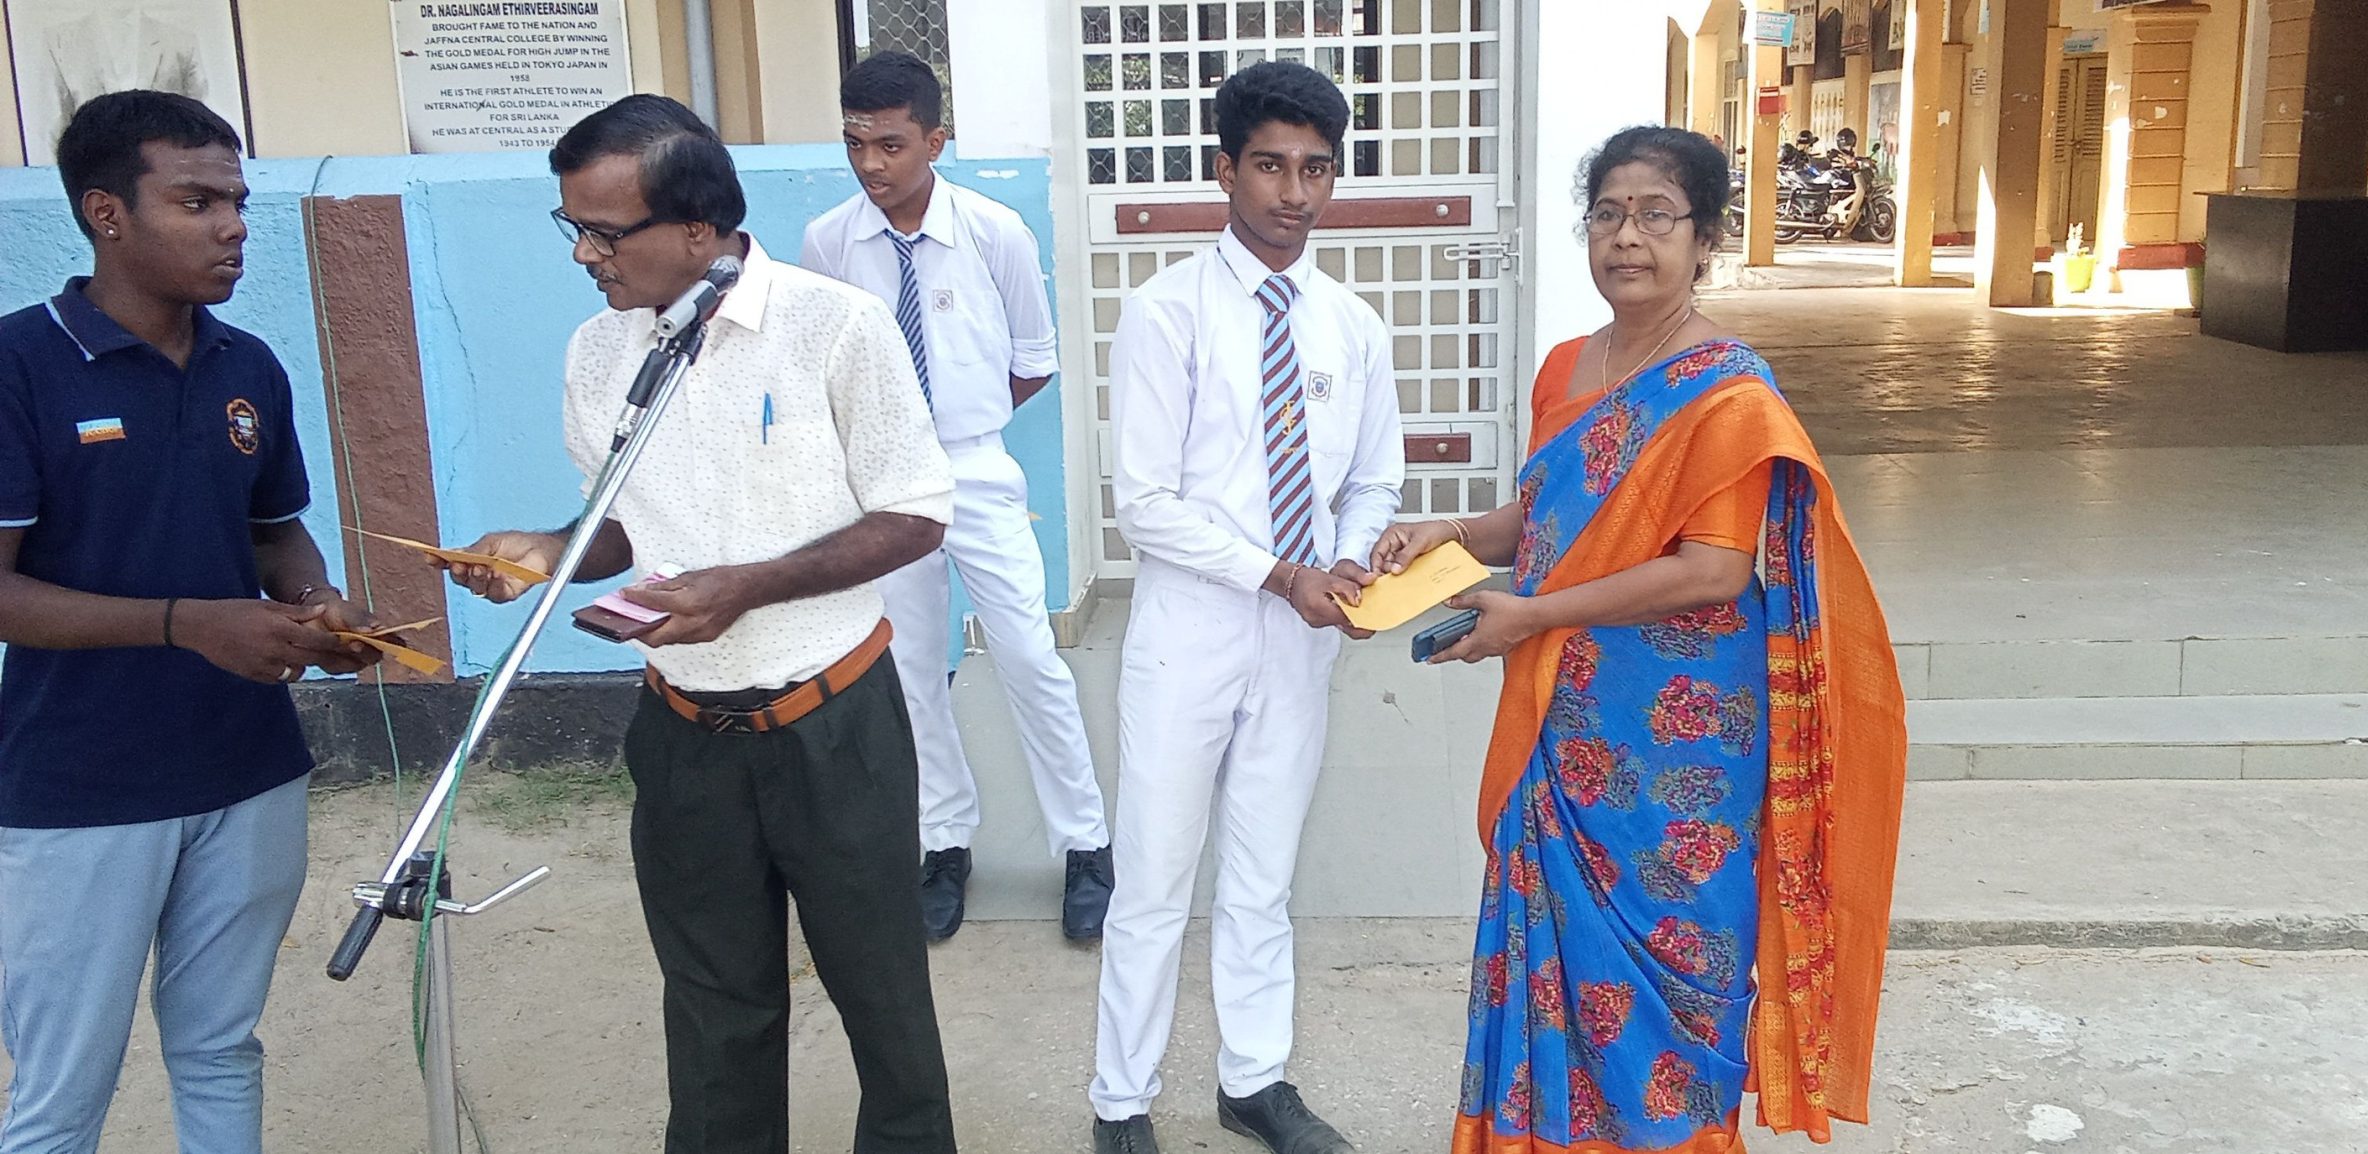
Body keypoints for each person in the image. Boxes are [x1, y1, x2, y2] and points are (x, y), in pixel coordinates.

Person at [1370, 126, 1907, 1153]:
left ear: (1703, 241)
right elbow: (1546, 520)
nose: (1627, 237)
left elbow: (1714, 570)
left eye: (1657, 215)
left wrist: (1530, 614)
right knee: (1557, 950)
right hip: (1568, 710)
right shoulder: (1566, 367)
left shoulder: (1729, 393)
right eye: (1609, 214)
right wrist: (1456, 532)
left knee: (1680, 954)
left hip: (1681, 734)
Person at [442, 95, 958, 1154]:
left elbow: (914, 516)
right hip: (682, 732)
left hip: (834, 726)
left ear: (697, 228)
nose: (582, 254)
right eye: (572, 227)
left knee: (884, 1002)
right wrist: (549, 550)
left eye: (603, 232)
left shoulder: (836, 326)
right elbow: (623, 521)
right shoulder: (599, 350)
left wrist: (746, 587)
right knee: (714, 1007)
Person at [0, 90, 384, 1152]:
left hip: (246, 769)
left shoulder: (246, 365)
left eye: (238, 203)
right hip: (80, 787)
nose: (232, 228)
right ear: (106, 214)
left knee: (221, 1047)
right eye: (197, 202)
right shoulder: (18, 366)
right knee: (63, 1087)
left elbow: (275, 535)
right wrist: (188, 624)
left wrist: (316, 606)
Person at [1088, 61, 1403, 1154]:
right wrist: (1280, 573)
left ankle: (1253, 1080)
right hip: (1192, 631)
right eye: (1270, 165)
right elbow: (1145, 504)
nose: (1294, 192)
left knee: (1263, 874)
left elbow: (1373, 478)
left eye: (1316, 169)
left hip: (1301, 638)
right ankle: (1120, 1100)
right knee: (1154, 875)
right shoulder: (1165, 311)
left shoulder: (1351, 325)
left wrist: (1348, 562)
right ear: (1225, 170)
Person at [801, 50, 1114, 944]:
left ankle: (1086, 844)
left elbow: (1033, 361)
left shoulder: (992, 231)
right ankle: (944, 842)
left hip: (973, 468)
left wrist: (956, 426)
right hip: (880, 483)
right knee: (908, 668)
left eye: (891, 144)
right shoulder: (830, 241)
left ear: (936, 141)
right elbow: (827, 366)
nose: (870, 164)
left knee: (1027, 653)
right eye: (855, 143)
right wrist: (894, 443)